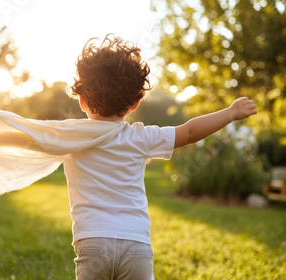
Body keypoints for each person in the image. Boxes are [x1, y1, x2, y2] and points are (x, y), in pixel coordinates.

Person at [64, 34, 257, 280]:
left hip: (92, 242)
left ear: (81, 100)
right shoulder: (141, 137)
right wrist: (229, 113)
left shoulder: (69, 135)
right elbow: (188, 132)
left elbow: (28, 133)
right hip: (136, 246)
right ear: (135, 103)